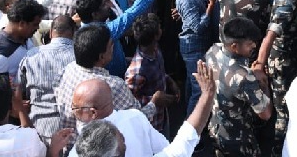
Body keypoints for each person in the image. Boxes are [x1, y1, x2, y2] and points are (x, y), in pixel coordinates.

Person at [72, 60, 215, 157]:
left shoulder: (75, 152)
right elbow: (178, 147)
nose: (123, 137)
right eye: (122, 140)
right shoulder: (134, 117)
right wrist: (207, 95)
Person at [77, 0, 170, 78]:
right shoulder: (103, 32)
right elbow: (135, 10)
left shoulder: (86, 29)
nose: (107, 7)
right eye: (103, 6)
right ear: (94, 14)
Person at [254, 0, 297, 155]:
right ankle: (278, 151)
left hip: (291, 57)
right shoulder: (287, 4)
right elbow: (270, 36)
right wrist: (260, 65)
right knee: (284, 112)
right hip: (283, 62)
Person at [204, 17, 272, 156]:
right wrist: (264, 85)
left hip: (216, 128)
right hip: (238, 139)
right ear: (234, 46)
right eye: (249, 44)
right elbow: (265, 114)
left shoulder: (213, 51)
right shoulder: (245, 77)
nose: (254, 46)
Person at [18, 15, 77, 145]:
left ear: (50, 32)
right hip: (72, 129)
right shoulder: (80, 56)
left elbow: (22, 91)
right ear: (73, 32)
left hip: (39, 129)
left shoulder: (31, 55)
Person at [173, 0, 217, 115]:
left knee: (192, 84)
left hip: (193, 46)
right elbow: (198, 27)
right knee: (198, 90)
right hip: (194, 46)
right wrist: (210, 6)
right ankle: (192, 125)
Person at [125, 13, 179, 134]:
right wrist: (155, 100)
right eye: (159, 27)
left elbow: (159, 71)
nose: (161, 29)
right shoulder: (136, 72)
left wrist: (170, 81)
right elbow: (129, 104)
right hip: (150, 125)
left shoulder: (155, 49)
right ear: (156, 35)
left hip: (162, 116)